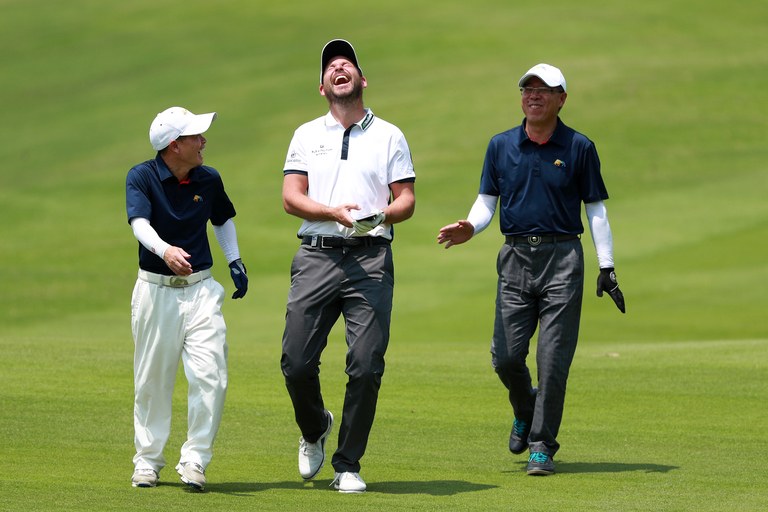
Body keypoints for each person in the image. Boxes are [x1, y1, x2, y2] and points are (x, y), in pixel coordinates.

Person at [437, 63, 625, 476]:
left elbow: (595, 209)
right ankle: (525, 406)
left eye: (544, 90)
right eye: (528, 89)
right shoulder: (500, 145)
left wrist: (606, 266)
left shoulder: (579, 147)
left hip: (563, 260)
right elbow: (487, 201)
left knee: (553, 359)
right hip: (516, 258)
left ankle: (542, 444)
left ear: (562, 99)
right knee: (505, 358)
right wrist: (471, 226)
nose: (534, 95)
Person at [280, 39, 416, 493]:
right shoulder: (306, 134)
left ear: (362, 80)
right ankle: (315, 425)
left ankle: (347, 464)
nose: (340, 68)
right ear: (322, 86)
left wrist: (377, 218)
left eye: (348, 64)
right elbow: (291, 198)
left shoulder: (389, 135)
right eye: (331, 66)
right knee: (296, 362)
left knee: (365, 365)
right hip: (316, 254)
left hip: (370, 258)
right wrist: (332, 213)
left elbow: (407, 200)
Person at [125, 106, 249, 490]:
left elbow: (222, 219)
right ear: (174, 145)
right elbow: (139, 223)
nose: (203, 141)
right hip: (155, 291)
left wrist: (235, 260)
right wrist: (165, 251)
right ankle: (147, 461)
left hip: (201, 291)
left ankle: (195, 459)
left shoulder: (208, 178)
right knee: (152, 381)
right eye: (196, 136)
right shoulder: (141, 177)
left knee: (212, 375)